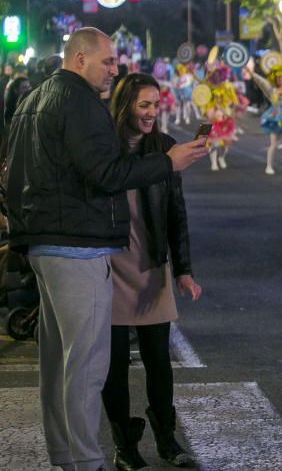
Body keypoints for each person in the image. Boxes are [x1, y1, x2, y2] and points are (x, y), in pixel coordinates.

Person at [4, 28, 207, 471]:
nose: (115, 70)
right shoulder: (79, 103)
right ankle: (85, 459)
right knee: (88, 365)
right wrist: (167, 162)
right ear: (79, 59)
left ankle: (66, 455)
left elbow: (11, 174)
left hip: (43, 246)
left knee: (58, 364)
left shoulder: (31, 100)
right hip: (77, 247)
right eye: (108, 62)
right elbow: (106, 173)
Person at [101, 73, 201, 470]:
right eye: (144, 105)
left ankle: (166, 440)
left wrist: (184, 270)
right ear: (126, 106)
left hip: (151, 264)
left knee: (159, 358)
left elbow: (176, 212)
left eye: (155, 105)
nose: (151, 113)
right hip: (109, 266)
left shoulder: (163, 147)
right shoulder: (104, 147)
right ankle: (124, 446)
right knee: (114, 364)